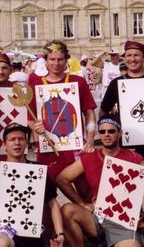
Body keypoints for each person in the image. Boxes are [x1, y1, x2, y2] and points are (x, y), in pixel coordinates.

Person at [56, 115, 144, 247]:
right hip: (98, 217)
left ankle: (120, 244)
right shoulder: (90, 157)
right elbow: (62, 178)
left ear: (120, 133)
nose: (106, 135)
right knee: (67, 210)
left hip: (123, 222)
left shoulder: (134, 158)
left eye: (111, 131)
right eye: (102, 131)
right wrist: (82, 203)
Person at [29, 40, 97, 188]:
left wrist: (90, 140)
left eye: (60, 59)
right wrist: (35, 127)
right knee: (47, 193)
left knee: (85, 189)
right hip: (48, 147)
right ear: (46, 60)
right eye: (52, 59)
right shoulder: (35, 84)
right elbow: (29, 117)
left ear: (66, 59)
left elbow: (89, 112)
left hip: (75, 146)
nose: (56, 63)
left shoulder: (78, 82)